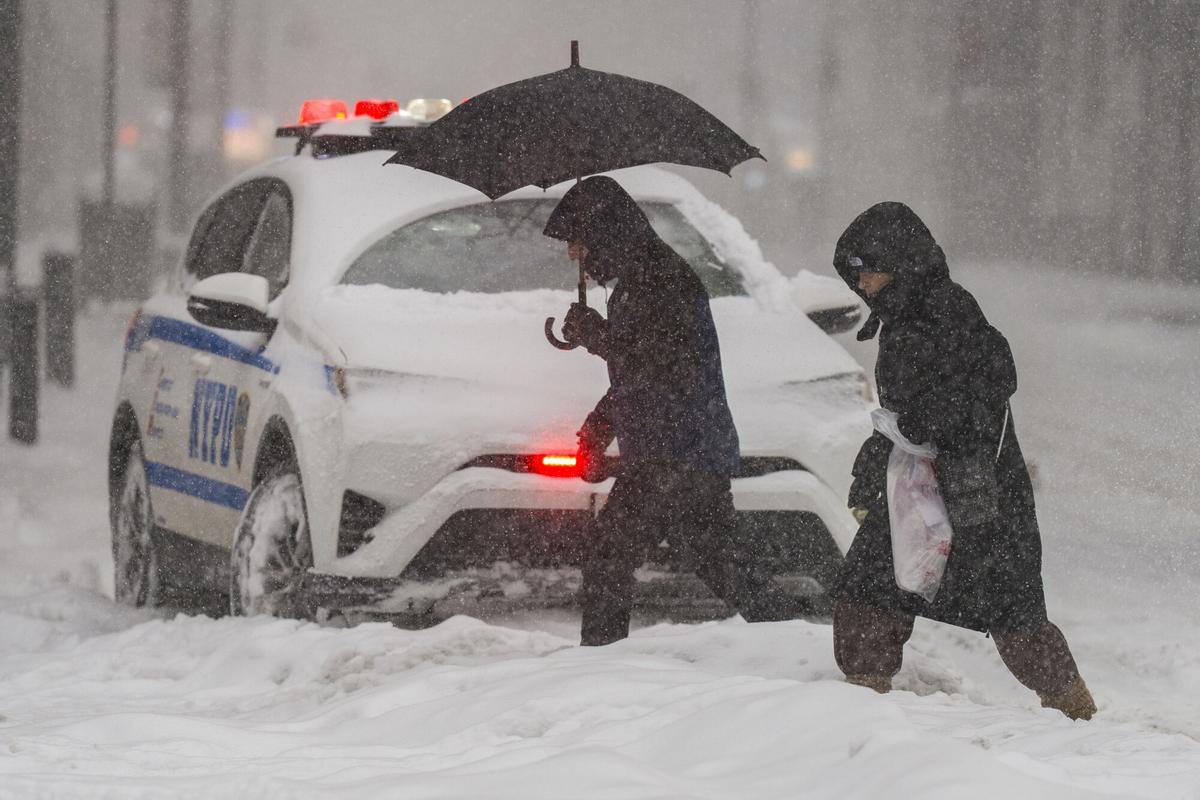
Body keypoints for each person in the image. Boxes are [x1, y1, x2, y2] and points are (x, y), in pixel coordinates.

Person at [829, 201, 1097, 721]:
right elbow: (906, 411)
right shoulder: (901, 315)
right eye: (856, 275)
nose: (863, 285)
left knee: (1016, 618)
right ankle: (860, 712)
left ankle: (1077, 714)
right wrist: (880, 453)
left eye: (871, 272)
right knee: (867, 592)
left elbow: (996, 376)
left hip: (979, 493)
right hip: (919, 488)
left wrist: (933, 416)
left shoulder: (948, 310)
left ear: (901, 265)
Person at [542, 176, 805, 646]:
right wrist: (597, 428)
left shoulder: (663, 280)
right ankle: (791, 638)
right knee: (713, 556)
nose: (572, 255)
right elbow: (637, 375)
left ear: (604, 234)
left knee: (613, 555)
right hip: (674, 450)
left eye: (577, 243)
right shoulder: (638, 281)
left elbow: (660, 366)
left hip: (679, 451)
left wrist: (598, 337)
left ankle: (599, 662)